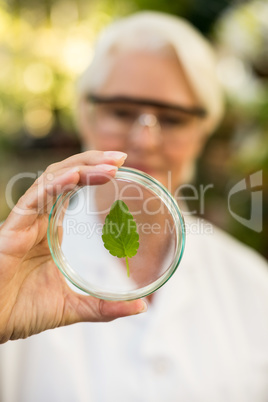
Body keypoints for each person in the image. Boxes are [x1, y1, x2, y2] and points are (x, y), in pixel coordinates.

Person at [1, 11, 268, 402]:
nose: (145, 139)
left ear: (203, 132)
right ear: (85, 114)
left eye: (173, 119)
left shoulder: (252, 286)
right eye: (122, 112)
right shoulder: (15, 273)